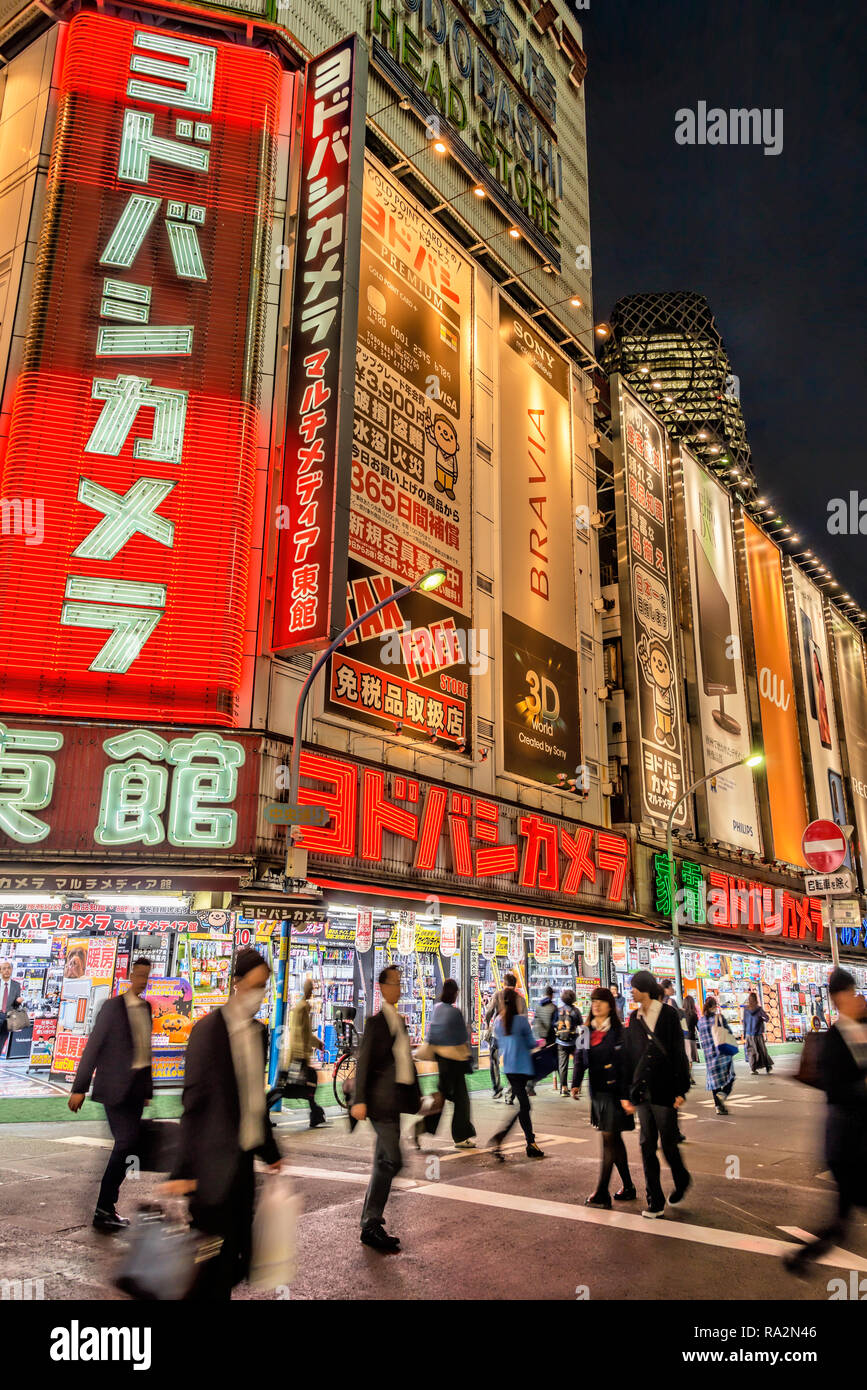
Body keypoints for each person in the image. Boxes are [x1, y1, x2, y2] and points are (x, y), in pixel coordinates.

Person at [159, 949, 283, 1299]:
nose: (260, 993)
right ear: (236, 984)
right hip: (210, 1170)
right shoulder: (207, 1031)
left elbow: (253, 1100)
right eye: (255, 985)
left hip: (242, 1168)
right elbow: (194, 1104)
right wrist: (182, 1169)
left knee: (239, 1259)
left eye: (264, 986)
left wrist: (270, 1150)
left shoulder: (259, 1033)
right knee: (209, 1264)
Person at [784, 970, 867, 1276]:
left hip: (858, 1144)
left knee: (841, 1221)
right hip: (846, 1147)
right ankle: (801, 1257)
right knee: (843, 1218)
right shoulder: (832, 1041)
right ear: (839, 998)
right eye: (852, 992)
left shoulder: (863, 1027)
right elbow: (837, 1090)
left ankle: (800, 1258)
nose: (857, 997)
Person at [69, 958, 154, 1233]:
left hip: (136, 1090)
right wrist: (79, 1087)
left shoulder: (146, 1008)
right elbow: (93, 1046)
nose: (142, 980)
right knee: (126, 1142)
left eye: (146, 976)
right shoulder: (113, 1007)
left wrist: (148, 1090)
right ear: (131, 976)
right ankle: (104, 1209)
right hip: (114, 1088)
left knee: (128, 1145)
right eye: (139, 975)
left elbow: (145, 1051)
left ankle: (107, 1208)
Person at [351, 965, 421, 1252]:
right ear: (381, 987)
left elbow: (404, 1060)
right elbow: (364, 1061)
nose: (399, 988)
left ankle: (370, 1224)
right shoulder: (377, 1022)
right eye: (394, 983)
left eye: (400, 983)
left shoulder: (399, 1022)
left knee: (385, 1159)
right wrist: (359, 1099)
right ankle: (370, 1222)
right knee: (392, 1160)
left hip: (395, 1100)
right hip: (379, 1102)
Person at [622, 970, 691, 1219]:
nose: (631, 991)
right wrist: (628, 1091)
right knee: (646, 1144)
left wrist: (681, 1089)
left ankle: (682, 1179)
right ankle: (655, 1200)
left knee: (668, 1143)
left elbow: (678, 1053)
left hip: (665, 1089)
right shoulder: (633, 1017)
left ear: (645, 988)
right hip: (642, 1091)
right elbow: (631, 1056)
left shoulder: (669, 1015)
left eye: (634, 987)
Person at [572, 987, 636, 1208]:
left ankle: (601, 1192)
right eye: (593, 1001)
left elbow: (627, 1066)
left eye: (600, 1001)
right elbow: (579, 1059)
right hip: (597, 1092)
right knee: (615, 1141)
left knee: (609, 1140)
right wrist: (575, 1083)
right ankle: (628, 1186)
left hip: (615, 1093)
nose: (596, 1005)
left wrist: (627, 1095)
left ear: (610, 1005)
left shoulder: (619, 1031)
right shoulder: (585, 1031)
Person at [418, 979, 476, 1149]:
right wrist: (468, 1057)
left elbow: (433, 1034)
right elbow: (461, 1039)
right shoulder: (454, 1012)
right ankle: (461, 1136)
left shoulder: (437, 1009)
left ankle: (422, 1127)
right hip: (455, 1063)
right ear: (454, 993)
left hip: (441, 1063)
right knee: (462, 1102)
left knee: (441, 1099)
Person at [489, 988, 545, 1161]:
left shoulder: (498, 1021)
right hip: (521, 1067)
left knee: (524, 1106)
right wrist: (541, 1042)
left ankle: (530, 1143)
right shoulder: (521, 1021)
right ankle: (504, 1137)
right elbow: (530, 1043)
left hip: (509, 1068)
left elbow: (499, 1041)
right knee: (524, 1107)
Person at [287, 978, 328, 1128]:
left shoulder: (301, 1006)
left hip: (297, 1052)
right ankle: (315, 1113)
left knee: (307, 1082)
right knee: (308, 1081)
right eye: (311, 988)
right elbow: (303, 1033)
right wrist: (317, 1044)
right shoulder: (303, 1007)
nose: (312, 991)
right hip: (299, 1053)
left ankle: (315, 1113)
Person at [486, 971, 527, 1104]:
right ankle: (509, 1095)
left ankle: (497, 1088)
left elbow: (488, 1012)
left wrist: (488, 1025)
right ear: (515, 985)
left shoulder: (498, 995)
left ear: (504, 984)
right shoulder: (521, 999)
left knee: (494, 1061)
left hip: (497, 1035)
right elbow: (524, 1019)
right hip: (514, 1038)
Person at [697, 996, 736, 1114]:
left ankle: (719, 1107)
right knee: (731, 1075)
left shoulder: (701, 1022)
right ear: (714, 1007)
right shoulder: (719, 1018)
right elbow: (728, 1033)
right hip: (722, 1053)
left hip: (709, 1055)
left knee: (715, 1082)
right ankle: (724, 1094)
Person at [555, 989, 583, 1095]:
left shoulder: (559, 1010)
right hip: (574, 1040)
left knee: (562, 1065)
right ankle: (576, 1086)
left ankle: (563, 1088)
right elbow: (581, 1023)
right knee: (577, 1062)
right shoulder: (576, 1011)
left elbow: (554, 1023)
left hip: (560, 1040)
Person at [742, 992, 773, 1075]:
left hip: (749, 1034)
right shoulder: (759, 1009)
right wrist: (761, 1019)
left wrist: (744, 1034)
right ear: (756, 999)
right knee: (762, 1050)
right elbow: (767, 1018)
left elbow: (744, 1022)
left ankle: (753, 1069)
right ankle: (767, 1066)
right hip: (758, 1033)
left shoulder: (746, 1009)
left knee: (751, 1051)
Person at [0, 960, 22, 1061]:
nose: (7, 970)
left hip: (7, 1017)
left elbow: (15, 1005)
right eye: (4, 968)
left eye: (9, 968)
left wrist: (18, 1002)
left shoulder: (16, 985)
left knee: (2, 1040)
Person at [683, 994, 699, 1065]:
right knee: (690, 1060)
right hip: (690, 1038)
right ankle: (689, 1075)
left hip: (682, 1039)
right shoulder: (693, 1015)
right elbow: (698, 1027)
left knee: (684, 1059)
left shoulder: (680, 1013)